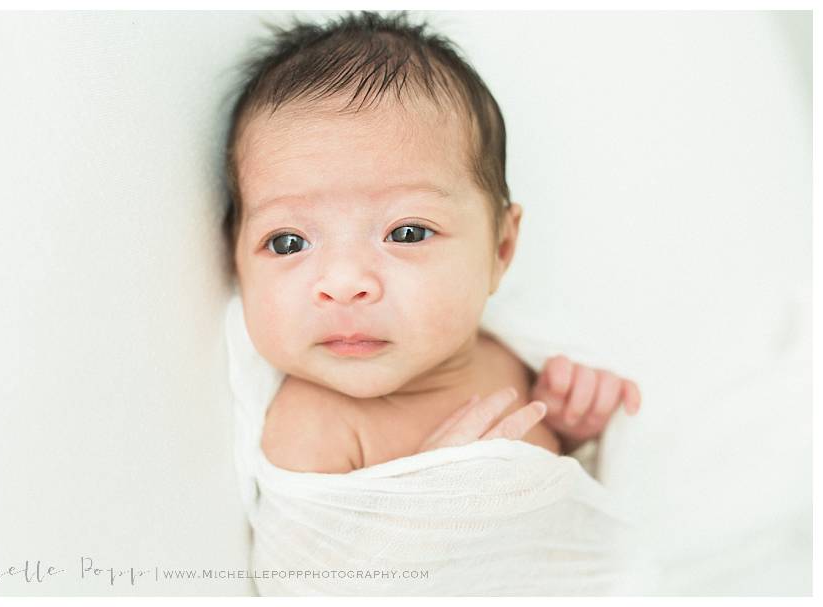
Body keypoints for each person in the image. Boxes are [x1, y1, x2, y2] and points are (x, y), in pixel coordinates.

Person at [221, 11, 640, 473]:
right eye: (287, 242)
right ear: (235, 258)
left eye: (407, 233)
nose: (344, 283)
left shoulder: (513, 363)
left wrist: (570, 427)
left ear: (500, 250)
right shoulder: (314, 428)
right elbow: (310, 548)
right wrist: (429, 497)